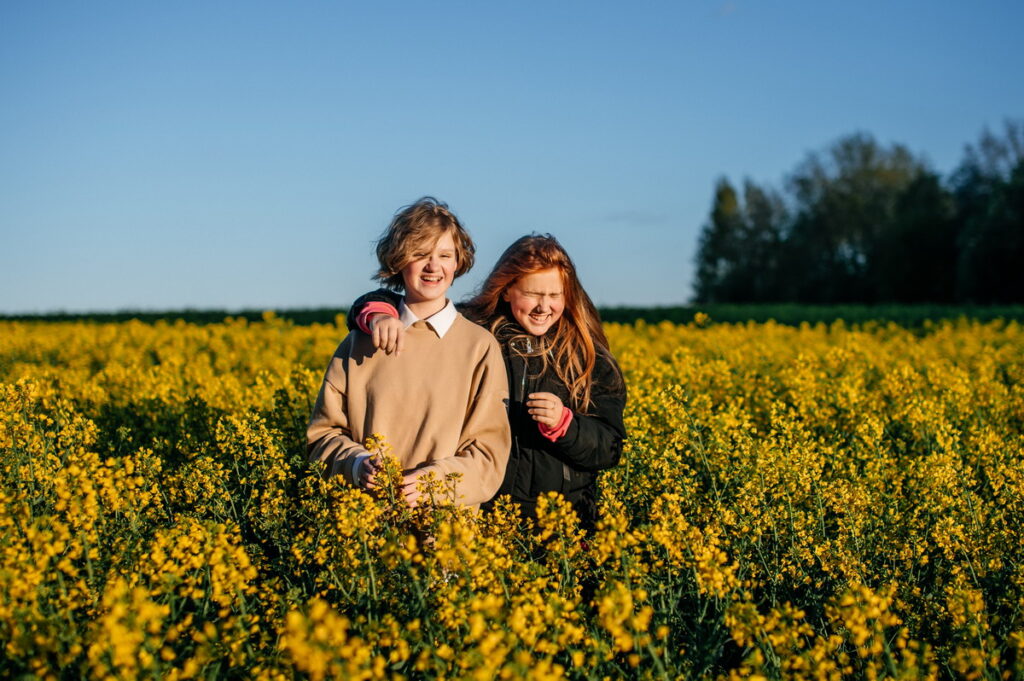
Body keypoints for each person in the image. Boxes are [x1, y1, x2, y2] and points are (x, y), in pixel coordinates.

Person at [348, 234, 626, 530]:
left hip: (564, 527)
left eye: (554, 296)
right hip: (485, 519)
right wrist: (379, 313)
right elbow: (416, 303)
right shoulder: (475, 333)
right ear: (506, 291)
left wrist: (566, 425)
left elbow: (609, 447)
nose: (543, 307)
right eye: (532, 294)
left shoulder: (587, 357)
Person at [307, 198, 511, 508]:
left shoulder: (479, 347)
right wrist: (356, 465)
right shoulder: (359, 344)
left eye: (445, 255)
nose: (433, 266)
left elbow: (489, 453)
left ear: (458, 262)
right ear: (398, 260)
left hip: (443, 535)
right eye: (420, 254)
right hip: (363, 535)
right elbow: (322, 437)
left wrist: (436, 484)